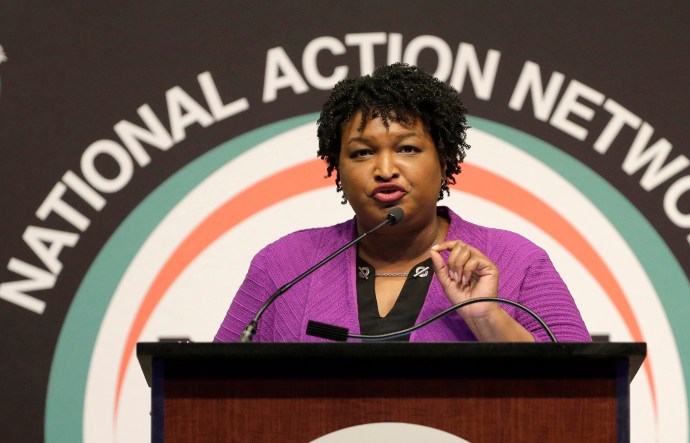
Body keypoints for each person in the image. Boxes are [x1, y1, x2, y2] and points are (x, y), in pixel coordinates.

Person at [215, 63, 590, 343]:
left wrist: (487, 319)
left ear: (444, 161)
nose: (385, 168)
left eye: (407, 148)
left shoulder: (517, 260)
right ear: (337, 169)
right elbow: (208, 390)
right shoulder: (284, 266)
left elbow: (584, 392)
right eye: (362, 153)